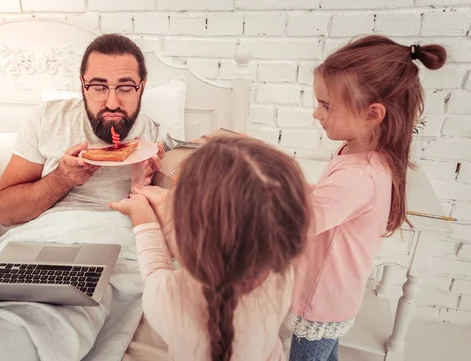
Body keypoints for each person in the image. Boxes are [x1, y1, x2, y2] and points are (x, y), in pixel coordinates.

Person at [284, 35, 447, 361]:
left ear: (373, 114)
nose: (317, 114)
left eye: (326, 105)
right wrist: (296, 182)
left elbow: (296, 227)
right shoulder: (364, 155)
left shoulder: (357, 176)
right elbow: (324, 207)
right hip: (336, 296)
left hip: (320, 300)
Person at [110, 136, 312, 361]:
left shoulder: (167, 300)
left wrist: (142, 215)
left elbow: (155, 269)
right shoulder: (281, 275)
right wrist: (171, 209)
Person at [0, 34, 168, 227]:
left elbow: (176, 224)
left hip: (123, 240)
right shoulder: (47, 118)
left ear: (141, 87)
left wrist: (141, 189)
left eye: (125, 88)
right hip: (46, 237)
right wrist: (61, 179)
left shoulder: (155, 137)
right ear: (83, 85)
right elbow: (4, 213)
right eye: (98, 87)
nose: (111, 104)